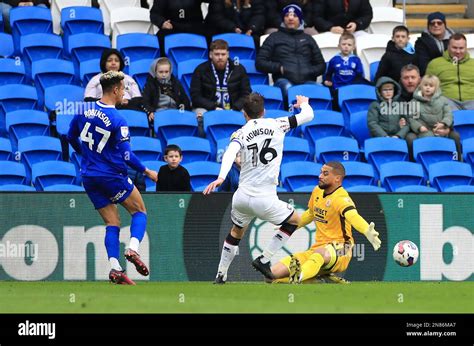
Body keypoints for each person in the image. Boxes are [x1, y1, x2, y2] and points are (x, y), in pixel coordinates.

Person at [203, 93, 315, 284]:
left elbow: (230, 153)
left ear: (244, 114)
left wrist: (221, 177)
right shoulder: (278, 124)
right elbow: (308, 116)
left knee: (237, 231)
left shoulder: (240, 133)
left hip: (242, 197)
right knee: (294, 220)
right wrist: (304, 104)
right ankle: (264, 259)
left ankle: (220, 275)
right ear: (263, 111)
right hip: (265, 198)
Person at [67, 71, 158, 285]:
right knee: (139, 211)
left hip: (89, 176)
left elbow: (70, 136)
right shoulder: (118, 119)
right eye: (124, 88)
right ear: (116, 89)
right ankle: (133, 249)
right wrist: (147, 171)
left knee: (112, 222)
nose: (125, 92)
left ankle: (115, 268)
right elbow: (126, 155)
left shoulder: (84, 111)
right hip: (111, 175)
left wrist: (85, 154)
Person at [267, 161, 381, 284]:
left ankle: (299, 277)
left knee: (319, 254)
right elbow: (311, 213)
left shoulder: (341, 199)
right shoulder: (317, 191)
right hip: (317, 249)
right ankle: (315, 278)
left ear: (337, 178)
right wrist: (291, 225)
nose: (320, 176)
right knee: (271, 276)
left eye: (325, 174)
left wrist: (365, 230)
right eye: (321, 172)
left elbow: (353, 216)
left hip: (342, 249)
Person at [256, 4, 325, 107]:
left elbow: (321, 65)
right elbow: (260, 62)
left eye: (294, 15)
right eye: (287, 15)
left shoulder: (308, 39)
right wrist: (280, 68)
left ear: (300, 19)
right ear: (283, 18)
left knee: (322, 92)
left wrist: (309, 71)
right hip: (284, 80)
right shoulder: (274, 37)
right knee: (289, 90)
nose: (290, 18)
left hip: (307, 81)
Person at [190, 39, 251, 137]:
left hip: (234, 107)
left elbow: (246, 93)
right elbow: (195, 96)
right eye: (217, 54)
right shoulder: (200, 70)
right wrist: (213, 107)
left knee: (249, 114)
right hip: (208, 108)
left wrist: (235, 108)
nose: (220, 57)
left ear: (228, 54)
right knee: (199, 115)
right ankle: (205, 144)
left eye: (223, 54)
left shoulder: (239, 69)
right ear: (210, 55)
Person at [409, 74, 462, 160]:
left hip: (442, 129)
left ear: (436, 88)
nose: (428, 88)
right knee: (428, 138)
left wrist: (443, 123)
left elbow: (448, 114)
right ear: (421, 86)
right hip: (425, 131)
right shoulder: (414, 102)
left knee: (455, 136)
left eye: (431, 86)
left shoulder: (443, 100)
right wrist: (419, 127)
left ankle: (458, 161)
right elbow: (412, 118)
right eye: (425, 85)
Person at [425, 33, 474, 111]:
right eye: (454, 48)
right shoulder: (434, 64)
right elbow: (426, 87)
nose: (458, 51)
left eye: (461, 48)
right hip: (447, 101)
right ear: (448, 47)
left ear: (466, 48)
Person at [323, 32, 367, 110]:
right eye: (344, 44)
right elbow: (328, 74)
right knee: (337, 106)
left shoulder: (356, 60)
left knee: (351, 106)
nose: (346, 47)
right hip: (337, 88)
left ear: (353, 47)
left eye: (349, 45)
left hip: (351, 88)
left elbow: (359, 75)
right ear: (339, 46)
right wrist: (327, 80)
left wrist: (354, 86)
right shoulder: (334, 60)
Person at [142, 57, 191, 126]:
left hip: (176, 113)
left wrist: (182, 110)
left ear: (170, 71)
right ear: (155, 72)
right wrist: (150, 112)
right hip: (158, 114)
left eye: (166, 72)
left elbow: (185, 100)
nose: (164, 75)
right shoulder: (150, 85)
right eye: (161, 72)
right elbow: (144, 101)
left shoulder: (176, 83)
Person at [415, 11, 454, 76]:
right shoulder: (421, 43)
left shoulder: (454, 40)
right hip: (430, 77)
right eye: (432, 23)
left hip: (451, 75)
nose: (436, 25)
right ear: (428, 26)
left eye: (439, 23)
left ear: (445, 25)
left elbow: (456, 61)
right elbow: (424, 66)